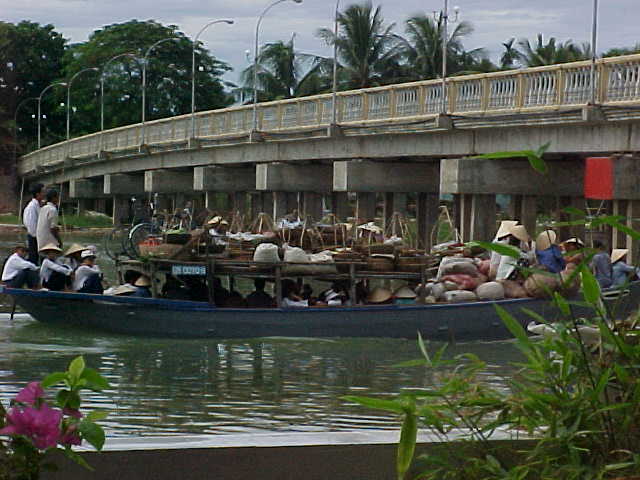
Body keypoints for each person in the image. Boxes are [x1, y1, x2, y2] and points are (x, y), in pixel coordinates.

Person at [23, 183, 44, 265]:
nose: (44, 194)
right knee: (33, 259)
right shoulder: (32, 207)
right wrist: (37, 237)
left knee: (37, 259)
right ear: (38, 194)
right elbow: (31, 226)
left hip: (37, 237)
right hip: (34, 237)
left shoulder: (38, 205)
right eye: (43, 192)